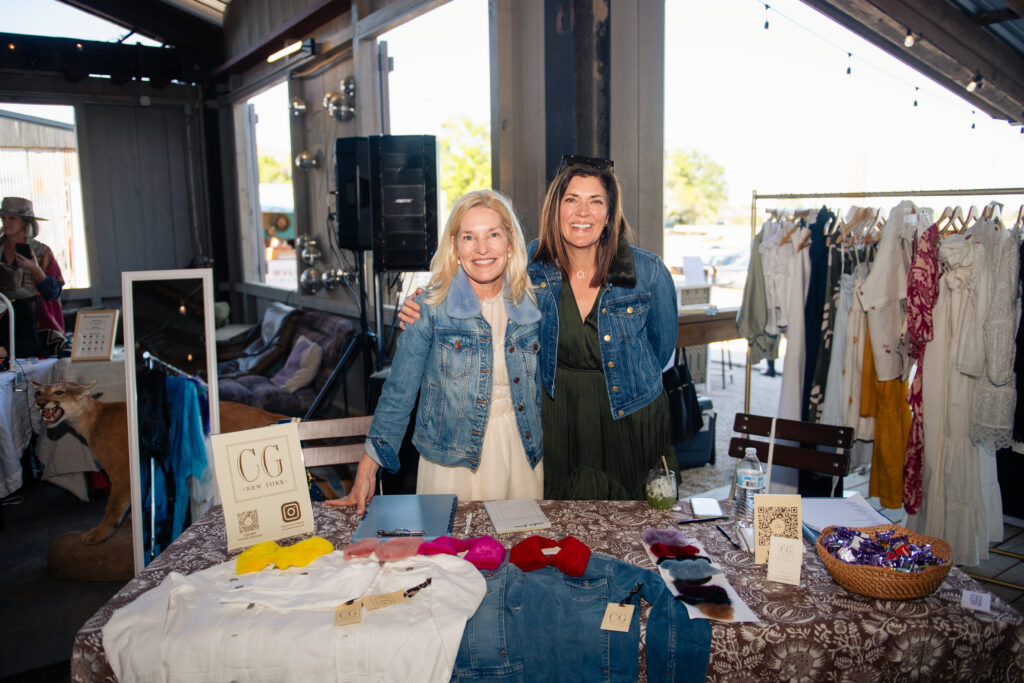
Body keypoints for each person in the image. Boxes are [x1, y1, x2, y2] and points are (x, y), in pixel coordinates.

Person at [401, 156, 679, 500]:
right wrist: (421, 301)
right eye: (571, 200)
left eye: (595, 201)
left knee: (637, 535)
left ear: (609, 214)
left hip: (630, 417)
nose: (582, 212)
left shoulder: (648, 272)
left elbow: (662, 350)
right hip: (558, 419)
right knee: (557, 538)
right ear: (555, 209)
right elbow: (476, 272)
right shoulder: (531, 265)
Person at [328, 190, 543, 514]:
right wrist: (366, 470)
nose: (482, 248)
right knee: (450, 559)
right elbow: (399, 392)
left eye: (493, 235)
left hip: (522, 454)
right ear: (455, 245)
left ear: (510, 241)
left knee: (519, 556)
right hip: (450, 463)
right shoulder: (428, 307)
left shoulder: (535, 304)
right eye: (469, 237)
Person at [0, 197, 65, 358]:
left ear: (25, 222)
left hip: (39, 329)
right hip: (3, 327)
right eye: (3, 218)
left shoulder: (42, 252)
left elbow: (54, 293)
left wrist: (35, 270)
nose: (6, 223)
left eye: (12, 218)